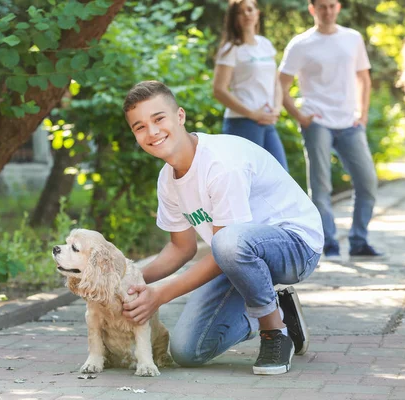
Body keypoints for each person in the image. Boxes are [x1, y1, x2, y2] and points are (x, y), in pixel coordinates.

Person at [121, 80, 324, 375]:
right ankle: (277, 308)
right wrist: (128, 278)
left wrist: (161, 294)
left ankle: (274, 332)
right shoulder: (167, 180)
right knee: (188, 350)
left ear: (180, 116)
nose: (151, 132)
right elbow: (182, 248)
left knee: (229, 241)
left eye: (158, 118)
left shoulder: (221, 163)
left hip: (295, 245)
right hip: (238, 257)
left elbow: (226, 246)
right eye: (139, 127)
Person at [278, 0, 382, 261]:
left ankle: (359, 241)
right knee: (321, 186)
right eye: (322, 6)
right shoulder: (300, 44)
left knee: (368, 182)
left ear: (338, 7)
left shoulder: (353, 38)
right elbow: (280, 85)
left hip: (350, 123)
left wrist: (363, 113)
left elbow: (364, 79)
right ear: (312, 9)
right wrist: (300, 116)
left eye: (332, 5)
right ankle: (330, 243)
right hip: (318, 123)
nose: (327, 11)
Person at [213, 0, 288, 170]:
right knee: (250, 182)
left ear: (257, 13)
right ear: (234, 18)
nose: (246, 14)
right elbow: (219, 90)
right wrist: (252, 114)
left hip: (267, 121)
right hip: (242, 123)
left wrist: (277, 108)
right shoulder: (230, 49)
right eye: (240, 12)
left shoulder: (265, 44)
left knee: (281, 176)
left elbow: (275, 82)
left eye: (250, 10)